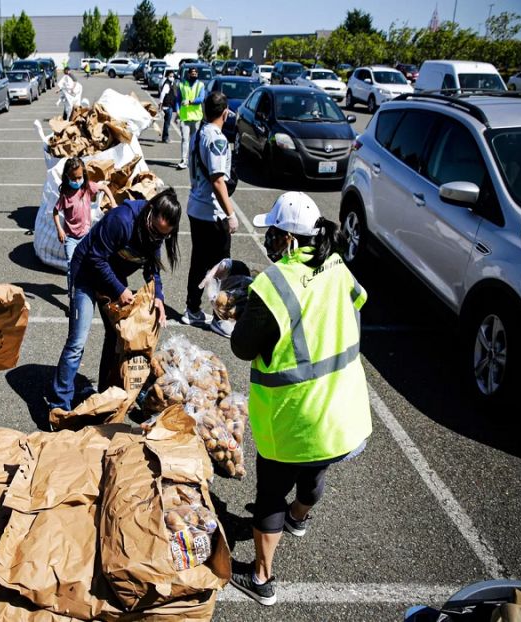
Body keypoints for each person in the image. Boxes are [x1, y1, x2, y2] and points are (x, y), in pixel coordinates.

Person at [228, 192, 372, 607]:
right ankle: (298, 519)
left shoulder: (273, 284)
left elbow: (242, 346)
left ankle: (261, 578)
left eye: (273, 232)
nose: (269, 240)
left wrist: (240, 311)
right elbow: (355, 302)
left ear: (289, 238)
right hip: (339, 412)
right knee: (313, 473)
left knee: (270, 493)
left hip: (294, 417)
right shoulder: (337, 265)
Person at [46, 189, 182, 412]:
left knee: (116, 337)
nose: (157, 238)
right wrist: (120, 289)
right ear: (150, 212)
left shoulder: (156, 234)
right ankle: (59, 404)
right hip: (86, 273)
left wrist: (158, 296)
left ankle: (104, 394)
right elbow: (95, 258)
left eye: (163, 235)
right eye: (155, 231)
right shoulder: (122, 220)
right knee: (77, 341)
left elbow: (152, 269)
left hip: (112, 276)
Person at [181, 91, 238, 336]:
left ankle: (192, 309)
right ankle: (219, 317)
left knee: (199, 262)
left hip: (196, 206)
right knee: (222, 267)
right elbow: (217, 180)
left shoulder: (198, 134)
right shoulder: (217, 139)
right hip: (211, 212)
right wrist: (231, 214)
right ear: (225, 113)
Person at [53, 156, 117, 271]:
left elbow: (104, 188)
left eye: (79, 177)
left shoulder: (87, 188)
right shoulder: (65, 195)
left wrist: (113, 202)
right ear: (67, 177)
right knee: (72, 265)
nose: (77, 181)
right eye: (73, 179)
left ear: (83, 174)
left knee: (88, 264)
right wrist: (59, 229)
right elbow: (55, 211)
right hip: (70, 238)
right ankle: (72, 283)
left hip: (86, 235)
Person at [175, 66, 205, 169]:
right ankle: (184, 160)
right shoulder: (182, 84)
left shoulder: (200, 85)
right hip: (185, 116)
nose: (194, 75)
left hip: (196, 117)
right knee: (185, 138)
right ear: (188, 74)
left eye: (195, 74)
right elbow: (178, 99)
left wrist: (190, 101)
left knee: (194, 140)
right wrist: (177, 110)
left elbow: (201, 99)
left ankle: (193, 160)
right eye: (192, 74)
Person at [159, 70, 176, 143]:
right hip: (167, 105)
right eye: (170, 76)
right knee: (167, 122)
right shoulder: (167, 84)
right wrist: (160, 104)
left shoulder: (170, 83)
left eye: (173, 76)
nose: (172, 77)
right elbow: (162, 94)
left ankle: (165, 137)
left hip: (169, 105)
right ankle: (165, 138)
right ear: (167, 76)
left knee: (167, 122)